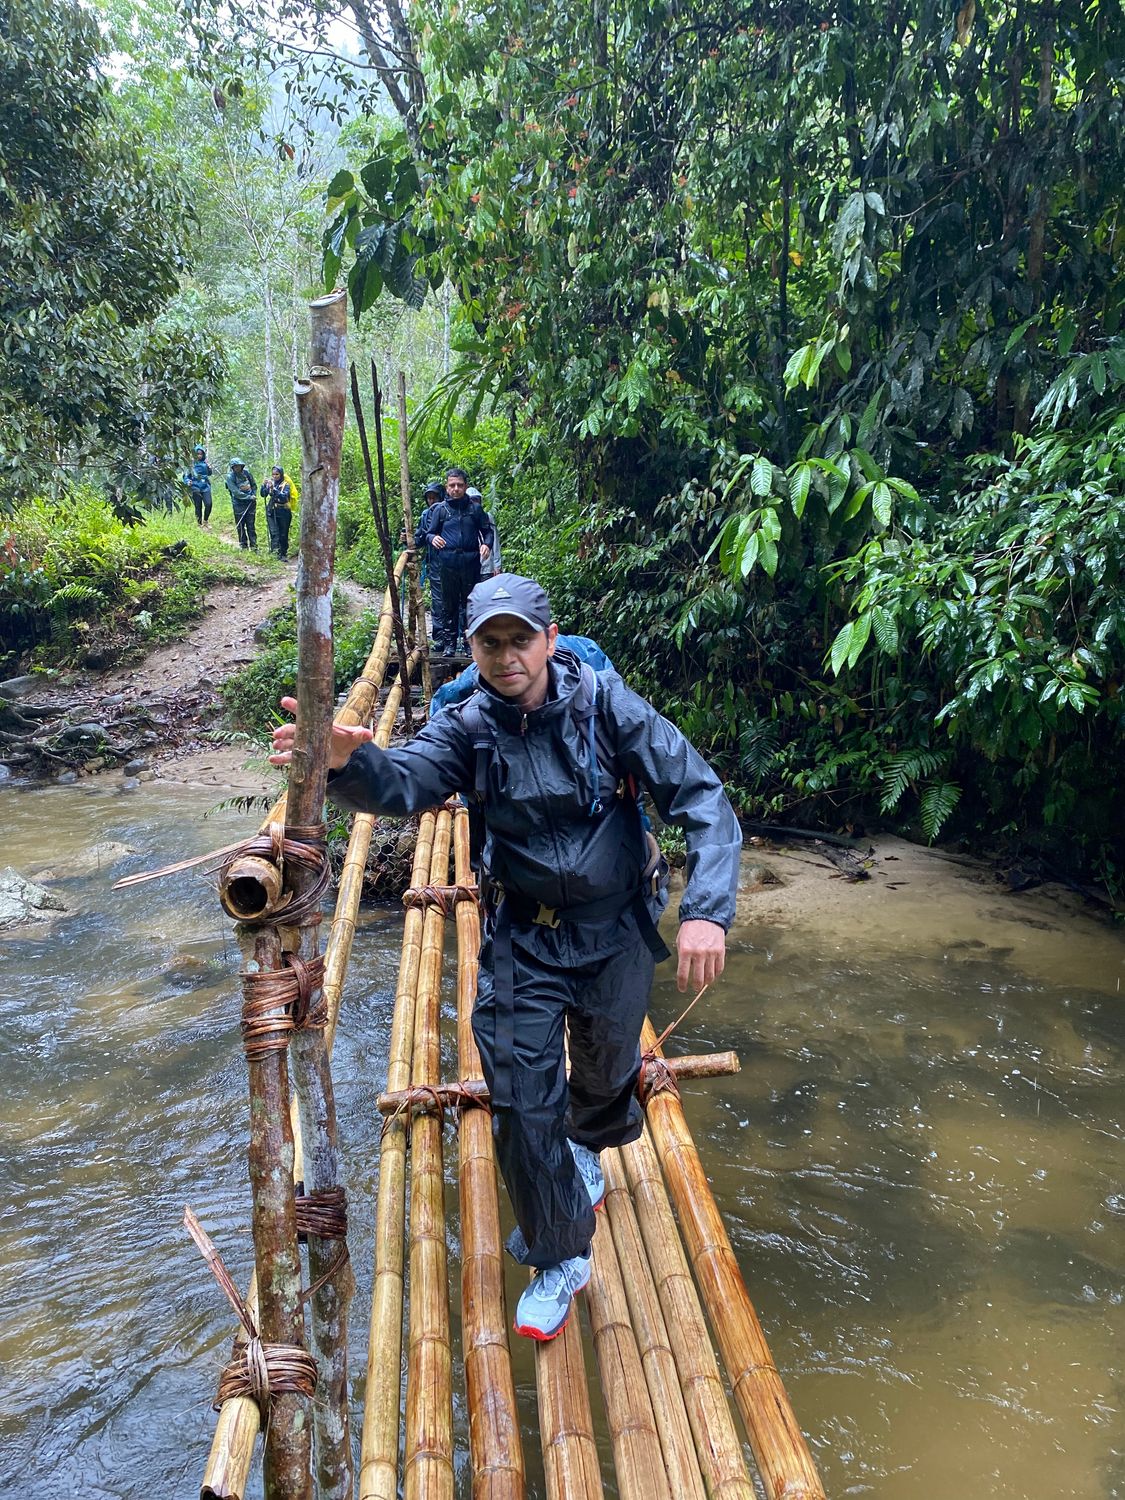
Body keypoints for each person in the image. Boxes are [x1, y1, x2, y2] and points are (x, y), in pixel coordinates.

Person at [270, 573, 740, 1341]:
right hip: (523, 937)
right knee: (522, 1103)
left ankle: (588, 1149)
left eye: (520, 639)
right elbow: (408, 780)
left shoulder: (609, 707)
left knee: (604, 1071)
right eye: (489, 642)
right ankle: (560, 1255)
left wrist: (706, 912)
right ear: (476, 651)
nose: (506, 656)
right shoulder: (467, 723)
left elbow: (702, 801)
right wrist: (346, 765)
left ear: (550, 642)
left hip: (615, 928)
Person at [425, 468, 493, 653]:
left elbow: (487, 531)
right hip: (448, 563)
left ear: (466, 487)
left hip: (471, 562)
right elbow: (429, 533)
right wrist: (432, 539)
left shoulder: (475, 509)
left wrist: (487, 544)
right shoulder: (440, 510)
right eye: (452, 485)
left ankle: (470, 643)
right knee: (449, 604)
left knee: (471, 603)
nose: (456, 489)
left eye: (459, 485)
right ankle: (450, 644)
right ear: (446, 488)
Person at [414, 480, 446, 643]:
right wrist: (408, 540)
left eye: (435, 497)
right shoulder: (425, 515)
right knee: (438, 601)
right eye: (429, 497)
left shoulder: (450, 511)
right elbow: (420, 539)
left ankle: (458, 637)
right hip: (434, 563)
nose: (432, 501)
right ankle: (439, 637)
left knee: (457, 601)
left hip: (453, 563)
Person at [467, 486, 501, 577]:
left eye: (476, 500)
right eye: (471, 500)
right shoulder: (462, 518)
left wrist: (497, 565)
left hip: (487, 567)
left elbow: (494, 541)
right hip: (469, 568)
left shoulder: (487, 517)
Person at [261, 466, 294, 559]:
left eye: (277, 474)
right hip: (272, 511)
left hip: (284, 512)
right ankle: (274, 552)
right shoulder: (271, 484)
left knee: (283, 533)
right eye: (273, 474)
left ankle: (283, 553)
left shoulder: (286, 485)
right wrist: (264, 486)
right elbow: (263, 494)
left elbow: (284, 497)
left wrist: (274, 490)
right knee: (274, 532)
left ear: (281, 474)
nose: (275, 476)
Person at [225, 458, 258, 549]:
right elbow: (235, 492)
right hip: (238, 504)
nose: (237, 468)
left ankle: (254, 545)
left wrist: (253, 495)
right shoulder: (230, 477)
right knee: (240, 525)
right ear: (232, 467)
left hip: (250, 503)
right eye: (235, 466)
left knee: (251, 525)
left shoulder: (247, 473)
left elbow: (254, 485)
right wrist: (248, 497)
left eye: (239, 466)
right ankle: (243, 545)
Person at [184, 445, 213, 527]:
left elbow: (209, 473)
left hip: (205, 486)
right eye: (197, 454)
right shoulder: (190, 465)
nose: (199, 455)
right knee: (198, 506)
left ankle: (206, 520)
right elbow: (186, 476)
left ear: (203, 454)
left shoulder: (205, 463)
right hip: (195, 486)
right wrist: (187, 481)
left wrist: (210, 468)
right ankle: (199, 523)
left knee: (209, 504)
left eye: (200, 454)